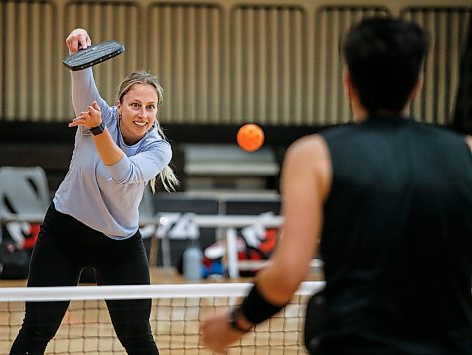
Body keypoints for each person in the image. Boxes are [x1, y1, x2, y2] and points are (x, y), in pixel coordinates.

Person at [201, 17, 472, 355]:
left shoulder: (313, 155)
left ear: (348, 82)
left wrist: (235, 323)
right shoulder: (464, 151)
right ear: (417, 84)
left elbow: (287, 274)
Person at [10, 28, 178, 355]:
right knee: (36, 329)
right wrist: (78, 46)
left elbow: (123, 172)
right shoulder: (98, 113)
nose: (143, 114)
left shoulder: (158, 148)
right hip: (64, 235)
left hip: (119, 245)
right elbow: (81, 73)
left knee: (138, 337)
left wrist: (98, 129)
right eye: (135, 105)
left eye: (150, 107)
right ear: (119, 105)